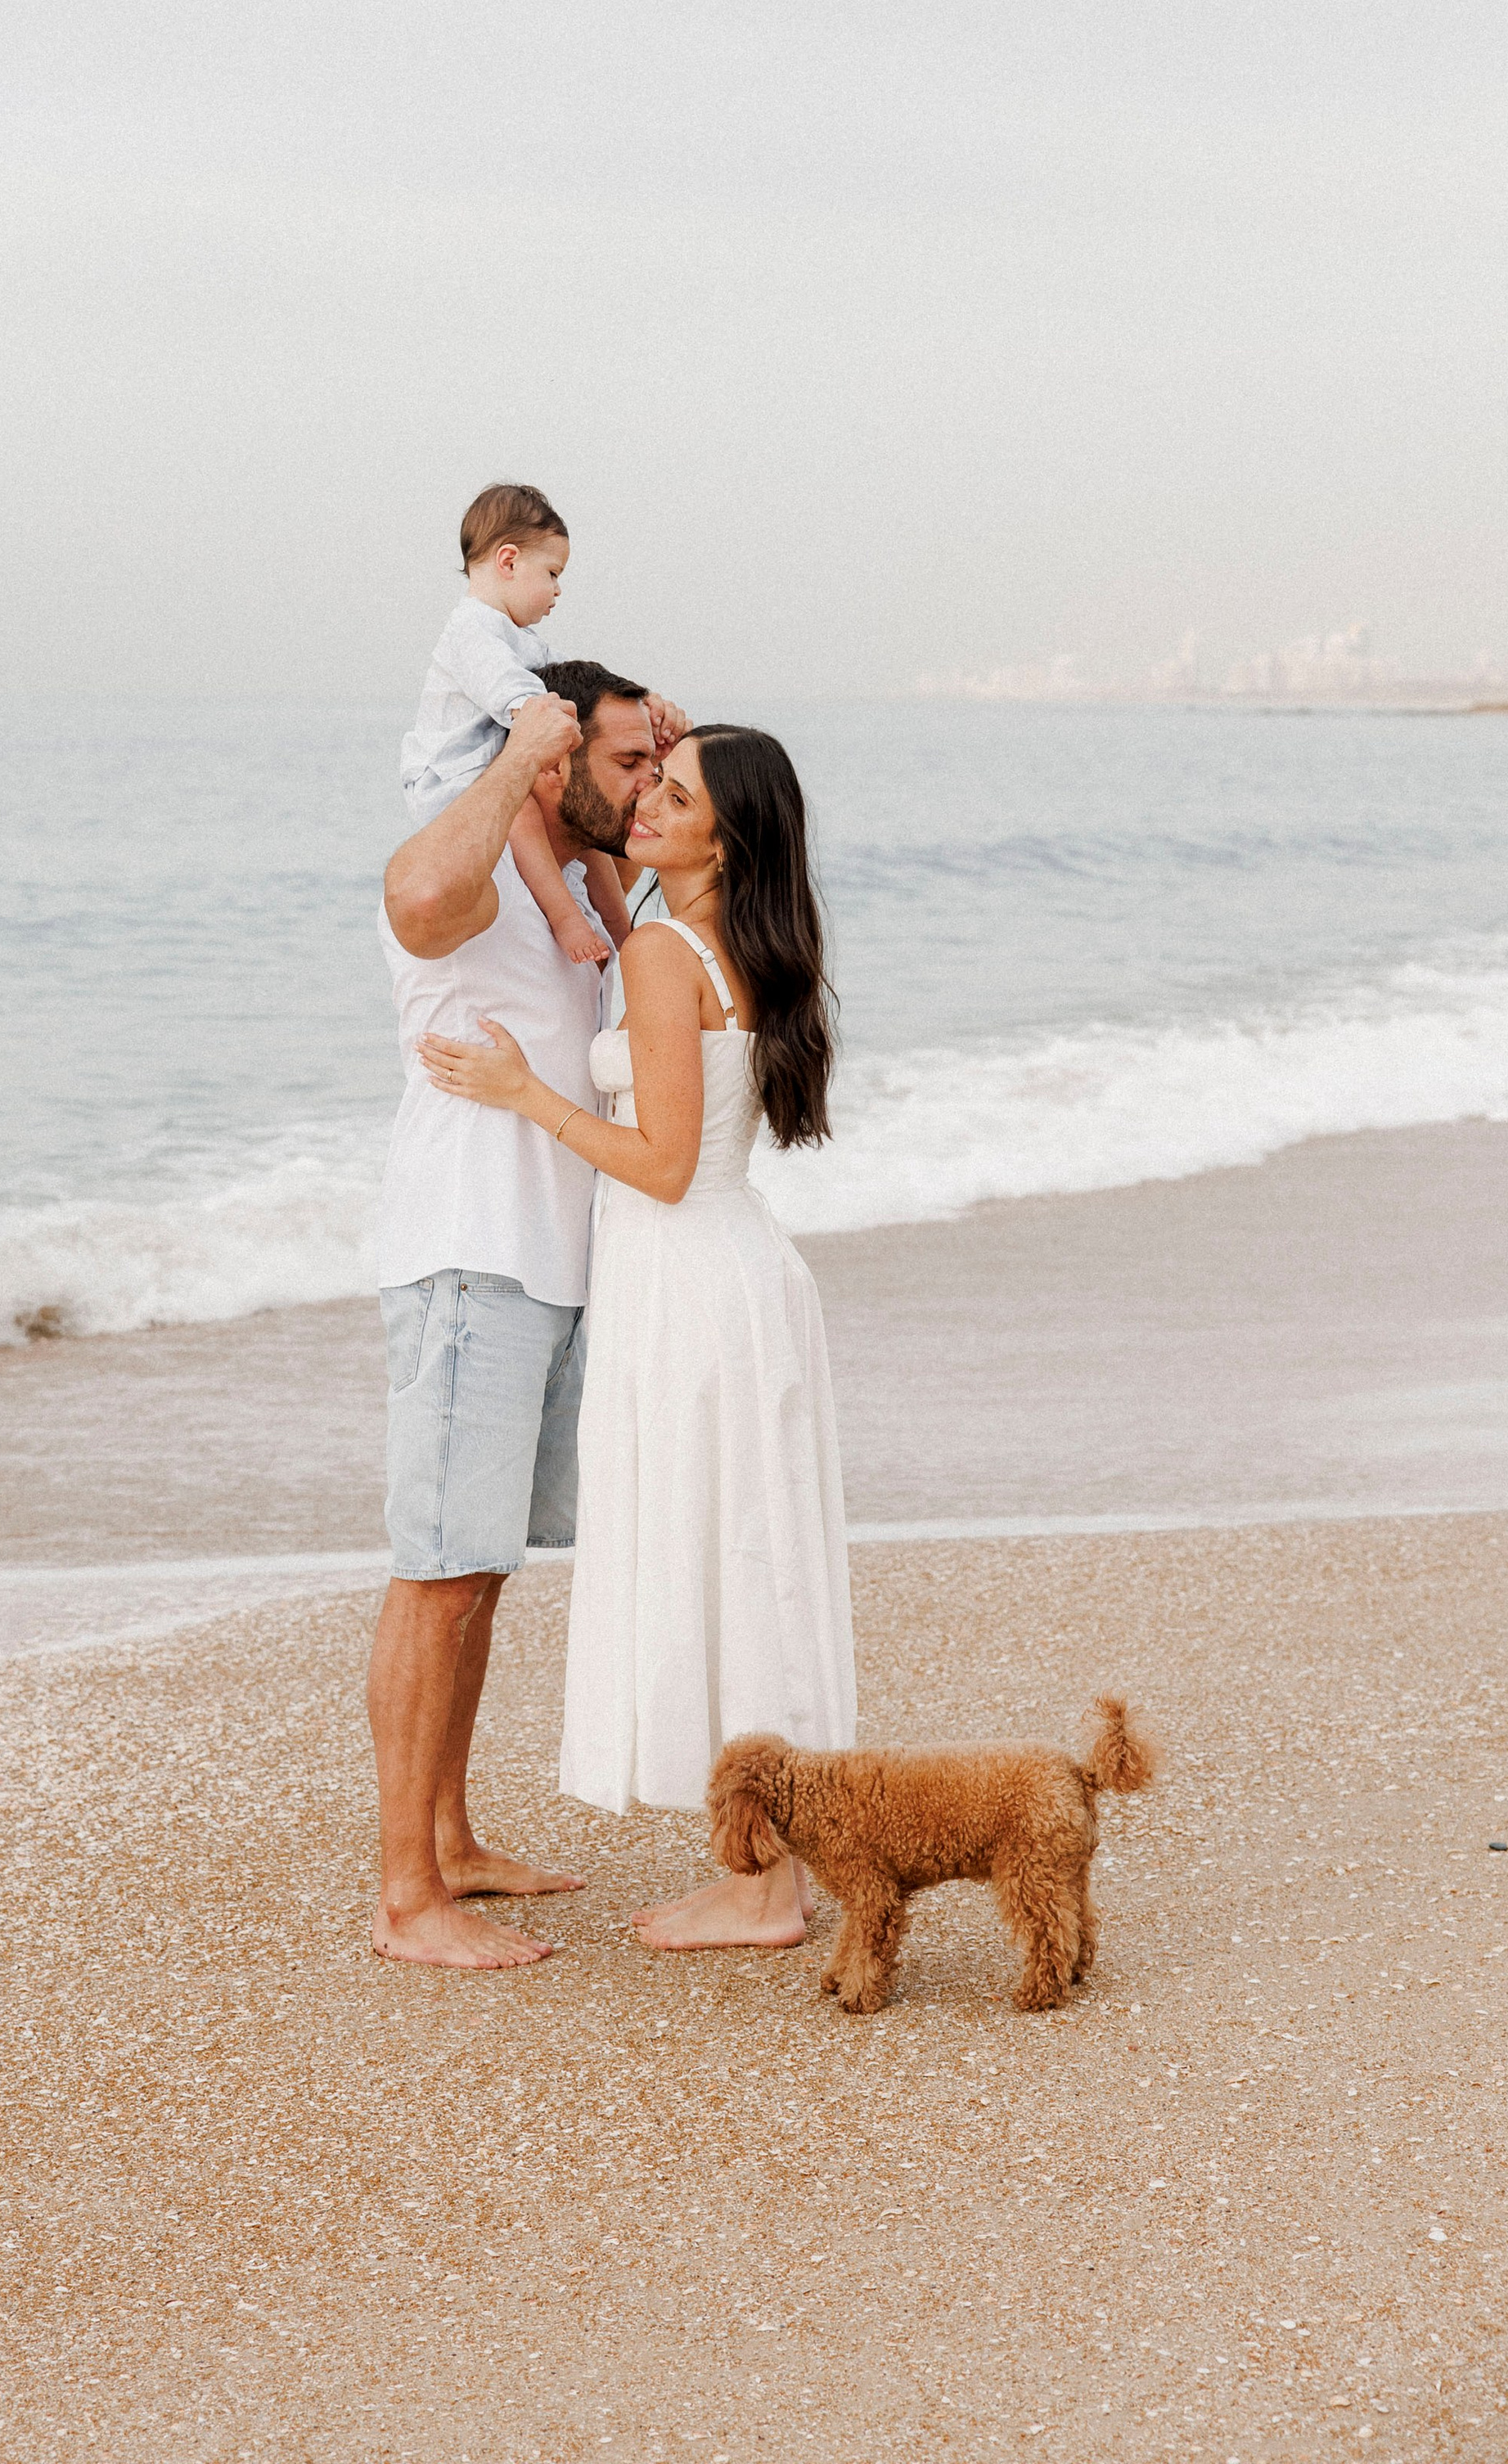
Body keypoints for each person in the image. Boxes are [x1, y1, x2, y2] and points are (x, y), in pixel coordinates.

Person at [417, 724, 856, 1952]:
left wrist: (526, 1095)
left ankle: (761, 1885)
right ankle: (770, 1868)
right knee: (746, 1561)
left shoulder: (666, 953)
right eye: (651, 779)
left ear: (728, 839)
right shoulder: (739, 942)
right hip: (736, 1271)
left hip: (690, 1280)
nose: (649, 804)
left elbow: (661, 1164)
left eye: (678, 796)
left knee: (720, 1559)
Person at [367, 661, 685, 1969]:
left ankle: (448, 1840)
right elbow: (411, 898)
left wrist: (667, 751)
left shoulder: (576, 886)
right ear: (553, 762)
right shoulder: (481, 863)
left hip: (549, 1266)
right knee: (438, 1573)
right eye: (625, 764)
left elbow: (686, 892)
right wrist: (515, 760)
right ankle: (405, 1899)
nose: (646, 784)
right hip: (470, 1256)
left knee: (480, 1569)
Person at [400, 482, 634, 969]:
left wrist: (636, 706)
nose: (558, 590)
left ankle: (623, 934)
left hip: (494, 770)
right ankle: (565, 917)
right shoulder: (470, 628)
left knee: (582, 823)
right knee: (525, 809)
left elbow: (576, 682)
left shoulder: (521, 637)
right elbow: (508, 690)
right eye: (552, 573)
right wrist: (536, 714)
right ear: (508, 561)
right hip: (453, 781)